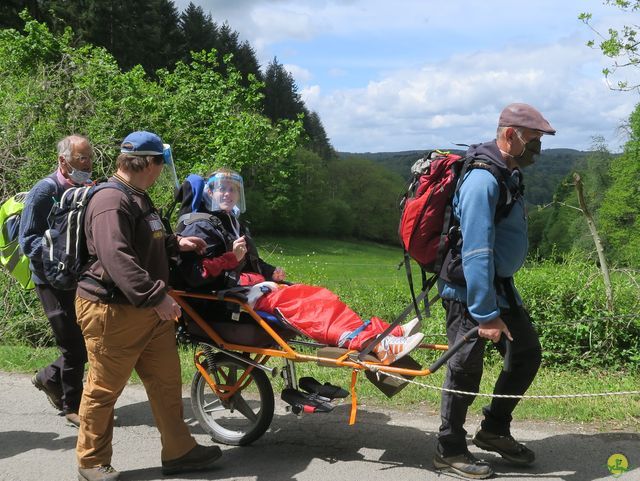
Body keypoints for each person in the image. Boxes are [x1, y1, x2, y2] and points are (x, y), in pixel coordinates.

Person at [74, 131, 221, 481]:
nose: (160, 173)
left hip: (147, 312)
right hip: (114, 311)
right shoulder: (111, 200)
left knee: (166, 383)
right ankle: (91, 462)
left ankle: (179, 451)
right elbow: (116, 256)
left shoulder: (137, 197)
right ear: (150, 165)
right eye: (161, 165)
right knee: (104, 388)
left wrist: (175, 243)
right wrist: (158, 297)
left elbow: (144, 238)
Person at [177, 169, 425, 365]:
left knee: (320, 296)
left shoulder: (232, 223)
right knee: (303, 307)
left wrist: (270, 271)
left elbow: (251, 262)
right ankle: (371, 344)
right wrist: (232, 258)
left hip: (249, 289)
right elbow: (194, 276)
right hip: (225, 300)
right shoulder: (201, 227)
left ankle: (380, 333)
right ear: (209, 193)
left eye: (233, 190)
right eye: (222, 189)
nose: (228, 194)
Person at [433, 103, 554, 479]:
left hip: (499, 287)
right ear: (508, 135)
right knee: (466, 367)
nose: (537, 150)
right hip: (468, 290)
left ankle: (494, 430)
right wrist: (485, 313)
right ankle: (449, 448)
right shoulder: (483, 179)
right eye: (532, 141)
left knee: (525, 353)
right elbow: (477, 249)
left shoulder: (508, 172)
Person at [19, 134, 93, 427]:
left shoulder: (84, 187)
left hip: (76, 277)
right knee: (73, 345)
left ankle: (48, 378)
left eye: (89, 157)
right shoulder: (44, 190)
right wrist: (57, 257)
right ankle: (72, 407)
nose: (87, 163)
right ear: (63, 161)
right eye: (81, 158)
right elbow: (28, 240)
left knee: (83, 342)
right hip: (48, 279)